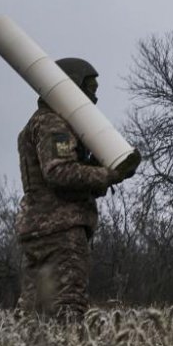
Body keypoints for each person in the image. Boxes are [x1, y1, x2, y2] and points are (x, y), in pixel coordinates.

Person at [16, 57, 138, 319]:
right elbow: (59, 173)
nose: (93, 97)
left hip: (39, 229)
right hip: (61, 231)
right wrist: (109, 173)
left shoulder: (40, 122)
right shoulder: (53, 124)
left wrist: (98, 170)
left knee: (34, 314)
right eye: (89, 88)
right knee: (68, 308)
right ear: (72, 87)